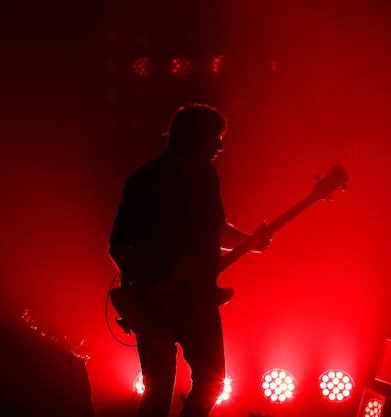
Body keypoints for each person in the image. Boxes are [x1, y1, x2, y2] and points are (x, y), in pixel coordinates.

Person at [108, 103, 271, 417]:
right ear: (196, 137)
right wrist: (151, 290)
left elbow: (217, 231)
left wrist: (250, 243)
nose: (221, 147)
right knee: (157, 394)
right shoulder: (147, 180)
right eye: (215, 138)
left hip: (200, 298)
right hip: (154, 301)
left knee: (212, 381)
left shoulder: (207, 178)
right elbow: (118, 246)